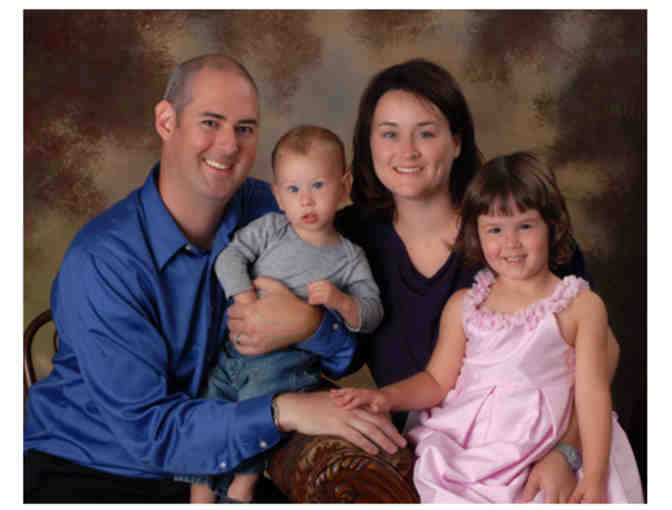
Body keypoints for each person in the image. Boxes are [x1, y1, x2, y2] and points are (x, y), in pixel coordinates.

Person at [228, 58, 623, 503]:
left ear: (456, 142)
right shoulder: (344, 235)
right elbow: (340, 357)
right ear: (368, 144)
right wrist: (302, 322)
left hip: (537, 444)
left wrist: (566, 452)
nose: (407, 151)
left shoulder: (509, 234)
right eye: (389, 133)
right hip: (437, 451)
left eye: (427, 133)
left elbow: (602, 353)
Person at [23, 55, 405, 503]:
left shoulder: (272, 211)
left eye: (245, 128)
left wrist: (309, 324)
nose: (228, 146)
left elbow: (344, 358)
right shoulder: (102, 261)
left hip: (227, 441)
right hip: (95, 464)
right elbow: (150, 433)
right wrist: (283, 411)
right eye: (210, 122)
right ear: (167, 121)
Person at [332, 152, 643, 503]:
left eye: (525, 226)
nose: (511, 243)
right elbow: (436, 381)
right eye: (495, 229)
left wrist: (595, 475)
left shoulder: (580, 306)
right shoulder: (464, 305)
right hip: (470, 447)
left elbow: (592, 396)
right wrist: (385, 397)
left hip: (542, 447)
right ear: (475, 234)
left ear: (552, 226)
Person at [178, 124, 384, 503]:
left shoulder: (349, 257)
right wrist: (245, 299)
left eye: (318, 186)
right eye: (293, 189)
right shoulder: (272, 228)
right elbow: (230, 257)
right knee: (208, 417)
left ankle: (243, 488)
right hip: (230, 353)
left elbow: (372, 312)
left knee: (254, 416)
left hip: (284, 365)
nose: (306, 201)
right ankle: (200, 496)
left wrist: (341, 301)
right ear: (278, 196)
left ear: (344, 186)